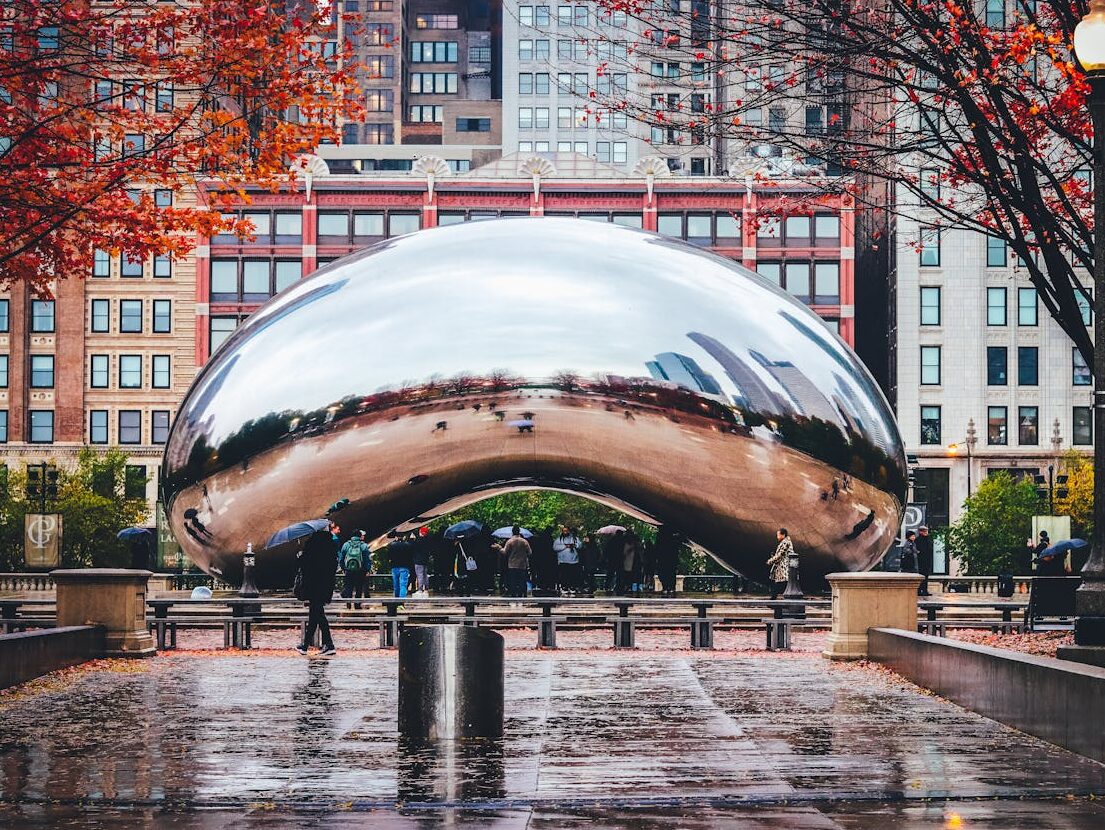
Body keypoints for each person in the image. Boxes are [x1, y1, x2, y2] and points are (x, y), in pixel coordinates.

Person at [295, 521, 339, 655]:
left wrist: (300, 556)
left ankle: (329, 645)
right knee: (315, 615)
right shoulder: (331, 544)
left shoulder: (312, 544)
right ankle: (305, 646)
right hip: (325, 585)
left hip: (313, 584)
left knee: (317, 614)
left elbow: (307, 565)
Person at [339, 529, 371, 609]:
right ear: (360, 536)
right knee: (358, 588)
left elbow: (341, 558)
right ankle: (357, 605)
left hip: (348, 570)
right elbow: (367, 559)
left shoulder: (346, 545)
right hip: (360, 570)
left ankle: (348, 603)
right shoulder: (363, 545)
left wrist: (343, 567)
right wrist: (367, 569)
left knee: (348, 587)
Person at [502, 526, 532, 598]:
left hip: (512, 564)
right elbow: (530, 552)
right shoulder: (524, 541)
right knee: (522, 581)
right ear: (519, 532)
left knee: (513, 582)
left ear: (512, 532)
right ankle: (523, 596)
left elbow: (504, 552)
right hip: (522, 565)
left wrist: (498, 547)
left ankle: (513, 596)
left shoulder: (510, 541)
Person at [553, 525, 581, 595]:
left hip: (573, 561)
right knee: (564, 576)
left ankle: (572, 588)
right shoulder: (558, 539)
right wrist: (565, 546)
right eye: (564, 531)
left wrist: (574, 545)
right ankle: (564, 587)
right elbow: (555, 548)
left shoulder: (574, 538)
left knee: (573, 575)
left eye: (566, 531)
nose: (565, 532)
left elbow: (580, 545)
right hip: (563, 561)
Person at [766, 528, 793, 601]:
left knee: (780, 583)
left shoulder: (786, 543)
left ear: (783, 535)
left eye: (778, 535)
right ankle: (774, 599)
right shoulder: (785, 542)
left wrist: (770, 561)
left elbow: (780, 555)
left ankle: (773, 600)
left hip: (783, 567)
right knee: (780, 583)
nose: (777, 537)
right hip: (781, 566)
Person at [655, 526, 679, 597]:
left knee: (665, 574)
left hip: (664, 559)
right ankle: (670, 588)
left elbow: (657, 549)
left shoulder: (661, 539)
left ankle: (667, 587)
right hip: (668, 559)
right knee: (670, 573)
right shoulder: (672, 540)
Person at [388, 534, 413, 599]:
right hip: (404, 566)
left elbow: (389, 557)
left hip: (394, 566)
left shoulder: (391, 545)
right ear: (403, 537)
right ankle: (401, 601)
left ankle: (396, 599)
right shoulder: (408, 545)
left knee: (396, 585)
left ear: (396, 537)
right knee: (403, 585)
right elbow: (410, 557)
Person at [412, 527, 431, 596]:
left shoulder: (417, 540)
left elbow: (413, 547)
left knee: (419, 575)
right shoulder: (428, 540)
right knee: (425, 575)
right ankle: (426, 589)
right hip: (425, 560)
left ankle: (420, 589)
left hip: (418, 560)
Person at [621, 531, 641, 595]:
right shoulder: (625, 544)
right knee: (627, 575)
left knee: (635, 575)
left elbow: (639, 553)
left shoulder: (636, 545)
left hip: (634, 562)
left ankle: (634, 588)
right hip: (627, 562)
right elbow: (624, 553)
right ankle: (627, 587)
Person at [916, 525, 934, 596]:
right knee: (921, 576)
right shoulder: (918, 540)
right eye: (924, 531)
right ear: (920, 532)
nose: (926, 532)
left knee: (926, 576)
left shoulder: (928, 539)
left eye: (926, 531)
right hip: (921, 561)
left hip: (927, 561)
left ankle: (925, 590)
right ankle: (919, 590)